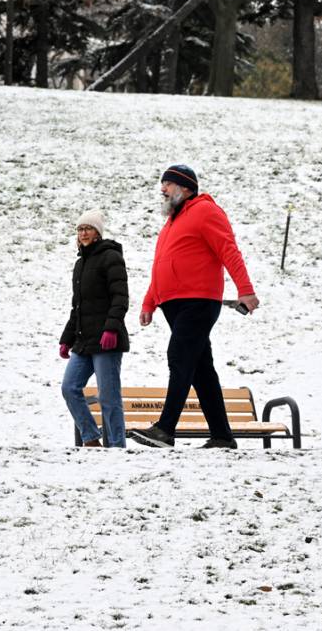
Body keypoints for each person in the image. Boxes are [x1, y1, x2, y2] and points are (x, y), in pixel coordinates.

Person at [129, 165, 259, 449]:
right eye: (162, 184)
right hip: (174, 305)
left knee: (179, 356)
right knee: (201, 369)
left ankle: (165, 429)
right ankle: (222, 437)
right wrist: (150, 301)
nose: (162, 189)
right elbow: (160, 267)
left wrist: (245, 290)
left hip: (198, 301)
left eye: (168, 184)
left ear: (186, 187)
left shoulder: (205, 212)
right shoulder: (171, 224)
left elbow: (228, 250)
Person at [59, 209, 129, 448]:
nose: (83, 233)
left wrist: (111, 329)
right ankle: (90, 438)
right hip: (83, 340)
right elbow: (77, 306)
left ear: (98, 233)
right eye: (80, 229)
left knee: (108, 397)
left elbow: (120, 297)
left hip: (106, 341)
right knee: (69, 387)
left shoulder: (111, 257)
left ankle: (117, 446)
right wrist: (66, 338)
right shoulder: (80, 264)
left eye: (88, 228)